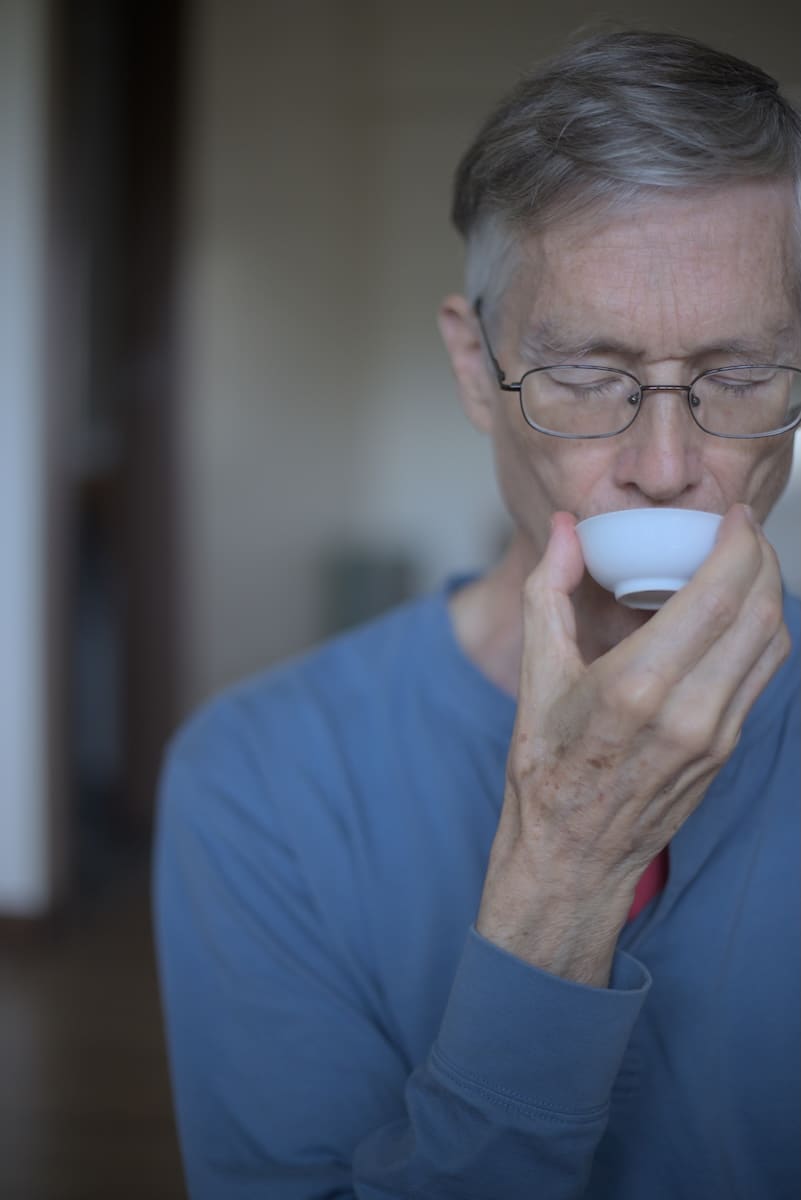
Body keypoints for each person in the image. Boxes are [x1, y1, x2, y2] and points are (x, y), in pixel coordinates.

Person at [153, 29, 801, 1200]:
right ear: (473, 369)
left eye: (740, 375)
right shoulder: (259, 779)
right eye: (588, 376)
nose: (665, 464)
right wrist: (566, 870)